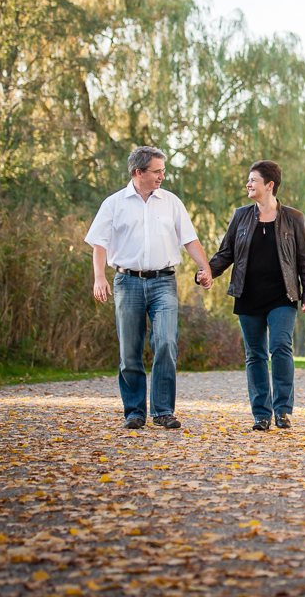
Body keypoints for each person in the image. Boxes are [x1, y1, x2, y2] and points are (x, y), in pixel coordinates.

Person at [86, 146, 213, 430]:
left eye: (163, 171)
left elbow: (189, 240)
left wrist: (206, 268)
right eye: (157, 171)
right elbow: (99, 244)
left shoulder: (171, 202)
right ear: (138, 172)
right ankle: (134, 412)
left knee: (166, 343)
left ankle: (163, 411)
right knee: (129, 350)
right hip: (126, 282)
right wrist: (99, 277)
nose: (162, 177)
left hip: (163, 281)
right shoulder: (114, 203)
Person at [208, 160, 305, 432]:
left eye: (253, 180)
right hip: (248, 295)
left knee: (280, 346)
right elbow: (227, 253)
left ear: (270, 185)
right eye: (248, 179)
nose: (248, 184)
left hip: (283, 295)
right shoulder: (240, 216)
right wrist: (208, 271)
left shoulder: (294, 217)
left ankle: (282, 411)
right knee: (255, 355)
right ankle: (261, 414)